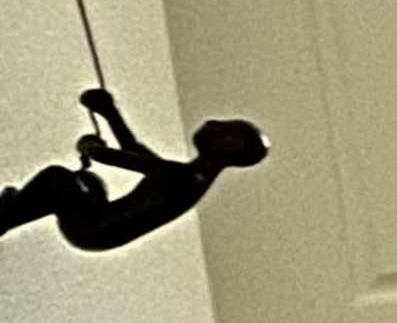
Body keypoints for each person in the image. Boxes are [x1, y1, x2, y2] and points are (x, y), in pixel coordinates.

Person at [0, 89, 267, 254]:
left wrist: (90, 146)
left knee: (58, 179)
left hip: (93, 229)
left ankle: (6, 217)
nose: (212, 123)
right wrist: (108, 111)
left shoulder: (185, 179)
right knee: (87, 182)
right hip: (97, 225)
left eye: (225, 131)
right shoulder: (190, 177)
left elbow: (115, 157)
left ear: (229, 149)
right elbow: (134, 148)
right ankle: (13, 209)